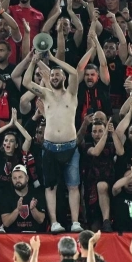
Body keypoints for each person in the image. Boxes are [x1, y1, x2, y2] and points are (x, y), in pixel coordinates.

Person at [22, 47, 94, 233]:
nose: (54, 77)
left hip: (70, 147)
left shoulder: (72, 93)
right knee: (51, 187)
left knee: (73, 185)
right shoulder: (45, 94)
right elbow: (26, 81)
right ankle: (54, 222)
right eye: (51, 75)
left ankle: (75, 222)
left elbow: (74, 71)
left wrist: (53, 58)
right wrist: (33, 61)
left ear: (63, 78)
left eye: (57, 75)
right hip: (50, 148)